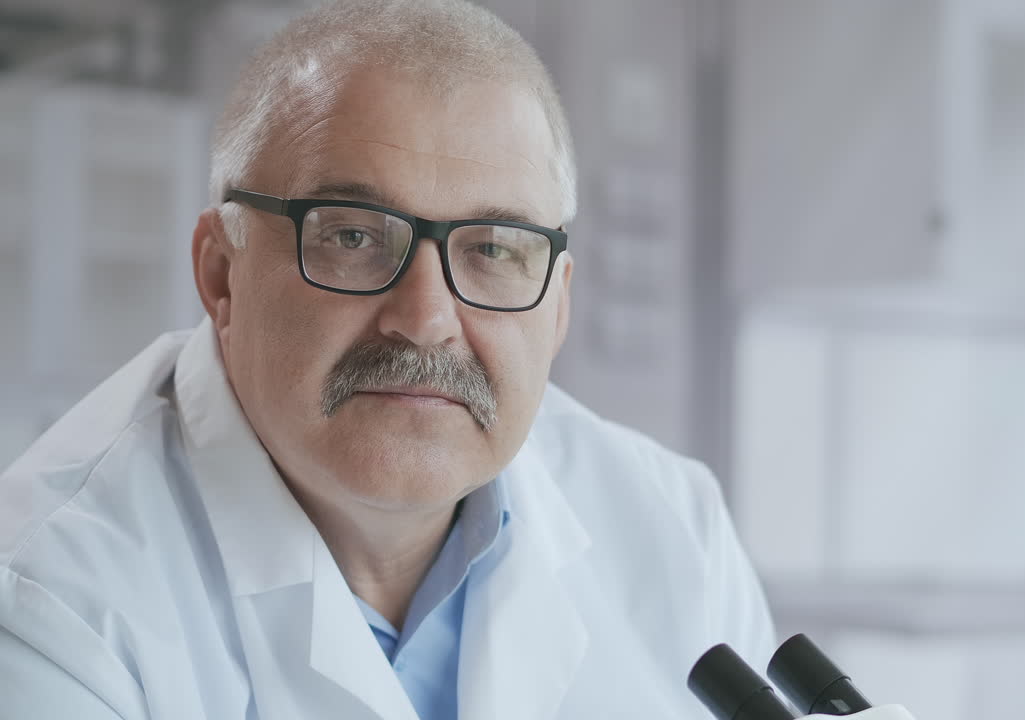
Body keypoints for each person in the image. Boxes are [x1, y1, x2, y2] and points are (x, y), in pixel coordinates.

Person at [0, 1, 775, 718]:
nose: (426, 320)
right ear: (221, 272)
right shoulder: (49, 603)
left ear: (559, 304)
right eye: (353, 236)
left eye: (494, 249)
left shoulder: (675, 528)